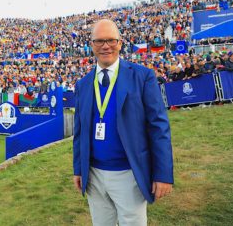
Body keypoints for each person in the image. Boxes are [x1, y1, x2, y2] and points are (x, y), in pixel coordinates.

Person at [73, 19, 173, 226]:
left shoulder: (142, 76)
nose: (105, 46)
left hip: (129, 174)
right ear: (91, 45)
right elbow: (79, 131)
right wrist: (78, 169)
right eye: (99, 41)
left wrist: (163, 174)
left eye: (111, 40)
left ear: (120, 43)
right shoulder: (83, 84)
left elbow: (158, 127)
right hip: (94, 175)